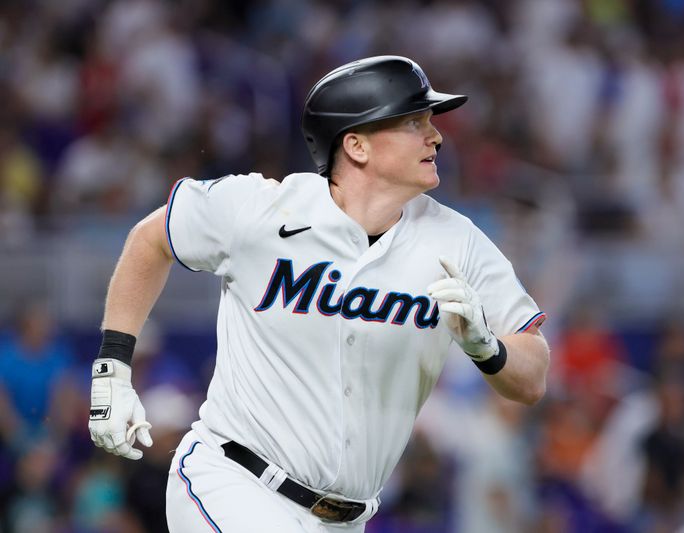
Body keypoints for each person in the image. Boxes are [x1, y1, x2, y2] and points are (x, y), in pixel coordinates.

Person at [87, 55, 550, 532]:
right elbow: (152, 238)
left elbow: (533, 375)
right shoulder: (264, 209)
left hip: (346, 519)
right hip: (233, 482)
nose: (436, 135)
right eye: (414, 122)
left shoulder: (459, 242)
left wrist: (487, 349)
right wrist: (113, 370)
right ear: (357, 145)